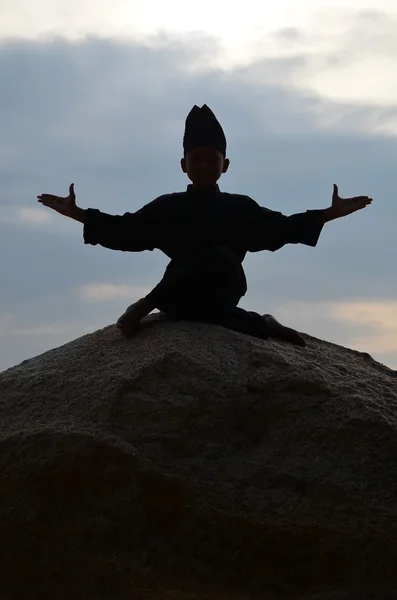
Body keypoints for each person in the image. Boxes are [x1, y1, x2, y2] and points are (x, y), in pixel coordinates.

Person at [37, 104, 372, 347]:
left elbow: (281, 228)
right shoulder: (168, 207)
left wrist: (330, 213)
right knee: (195, 294)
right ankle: (263, 324)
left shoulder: (240, 208)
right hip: (180, 297)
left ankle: (143, 304)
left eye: (211, 157)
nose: (203, 164)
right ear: (183, 164)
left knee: (216, 256)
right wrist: (76, 213)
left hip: (224, 286)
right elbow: (126, 230)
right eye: (195, 158)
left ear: (224, 164)